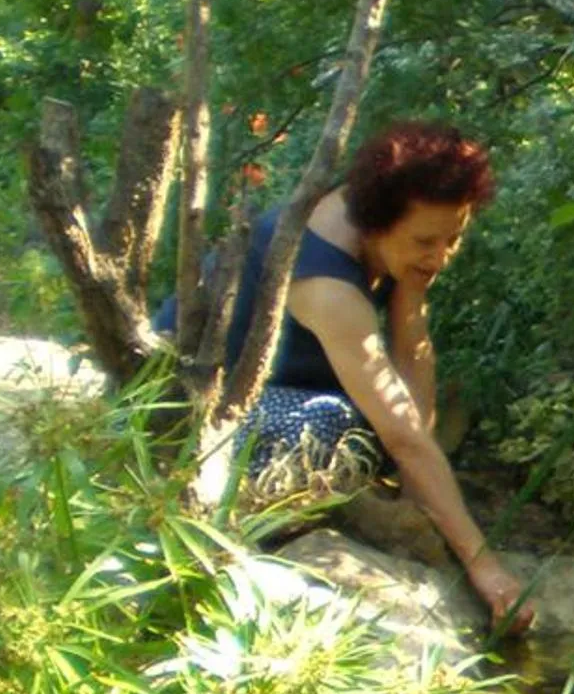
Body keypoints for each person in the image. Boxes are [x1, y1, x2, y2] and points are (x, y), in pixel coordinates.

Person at [183, 121, 532, 630]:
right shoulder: (325, 281)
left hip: (284, 389)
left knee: (378, 428)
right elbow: (402, 433)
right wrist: (484, 565)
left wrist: (410, 296)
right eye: (425, 242)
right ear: (375, 225)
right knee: (346, 428)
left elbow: (414, 358)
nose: (440, 257)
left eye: (453, 238)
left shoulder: (381, 222)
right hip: (199, 422)